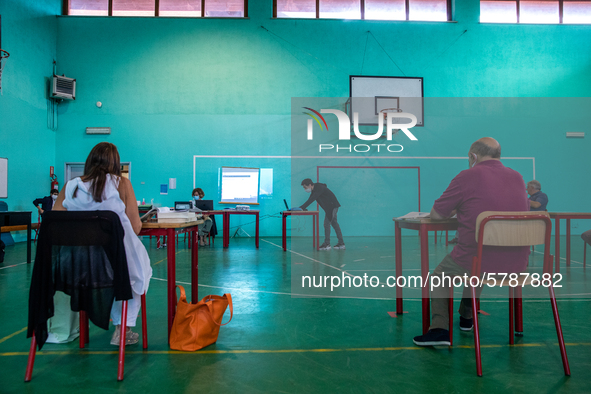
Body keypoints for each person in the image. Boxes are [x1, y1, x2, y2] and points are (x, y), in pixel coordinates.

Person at [413, 137, 529, 346]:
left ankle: (439, 329)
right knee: (477, 267)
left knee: (441, 276)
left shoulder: (467, 176)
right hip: (517, 264)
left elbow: (437, 215)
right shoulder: (518, 177)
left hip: (479, 260)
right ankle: (467, 317)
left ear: (473, 156)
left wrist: (460, 206)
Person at [53, 142, 152, 346]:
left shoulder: (70, 185)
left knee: (118, 273)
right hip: (117, 262)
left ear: (89, 161)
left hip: (78, 265)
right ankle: (122, 328)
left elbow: (55, 223)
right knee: (138, 273)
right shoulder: (121, 184)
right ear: (115, 163)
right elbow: (135, 227)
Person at [299, 179, 344, 250]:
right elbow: (310, 198)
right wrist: (301, 207)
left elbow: (312, 199)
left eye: (305, 187)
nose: (305, 189)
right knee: (334, 224)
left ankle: (327, 244)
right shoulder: (314, 190)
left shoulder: (319, 188)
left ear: (310, 185)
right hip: (331, 207)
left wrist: (301, 208)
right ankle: (341, 244)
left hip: (332, 207)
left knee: (327, 224)